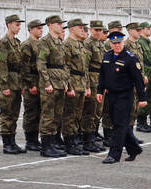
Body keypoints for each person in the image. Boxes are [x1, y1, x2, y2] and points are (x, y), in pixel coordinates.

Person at [96, 31, 146, 164]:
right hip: (111, 95)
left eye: (119, 43)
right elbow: (103, 76)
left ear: (123, 42)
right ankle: (134, 148)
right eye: (114, 43)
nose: (117, 45)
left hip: (125, 95)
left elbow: (138, 79)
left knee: (119, 125)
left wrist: (142, 98)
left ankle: (114, 154)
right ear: (110, 44)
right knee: (119, 123)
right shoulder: (107, 56)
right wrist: (99, 91)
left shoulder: (130, 58)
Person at [36, 15, 69, 158]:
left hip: (60, 82)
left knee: (57, 115)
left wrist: (66, 82)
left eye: (61, 23)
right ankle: (46, 146)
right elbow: (41, 64)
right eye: (58, 23)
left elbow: (64, 65)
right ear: (50, 25)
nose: (61, 26)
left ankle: (53, 143)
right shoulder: (45, 42)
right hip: (50, 83)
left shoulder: (59, 42)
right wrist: (47, 83)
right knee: (48, 115)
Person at [62, 18, 94, 154]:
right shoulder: (67, 45)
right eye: (80, 27)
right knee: (70, 114)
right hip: (73, 83)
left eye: (83, 27)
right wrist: (69, 87)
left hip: (81, 82)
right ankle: (69, 142)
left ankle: (75, 140)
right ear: (72, 29)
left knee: (78, 115)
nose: (82, 29)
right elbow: (65, 68)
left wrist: (87, 86)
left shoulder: (81, 45)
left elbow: (85, 68)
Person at [0, 15, 26, 154]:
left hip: (17, 82)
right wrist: (4, 86)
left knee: (14, 114)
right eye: (16, 24)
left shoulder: (16, 42)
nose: (18, 27)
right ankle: (6, 144)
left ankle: (12, 142)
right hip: (9, 82)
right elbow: (2, 65)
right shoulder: (4, 42)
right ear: (9, 25)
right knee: (7, 114)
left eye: (19, 25)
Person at [81, 20, 106, 152]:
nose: (98, 32)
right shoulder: (88, 44)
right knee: (89, 111)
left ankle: (93, 135)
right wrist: (87, 85)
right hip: (91, 78)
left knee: (98, 111)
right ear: (90, 30)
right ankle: (87, 139)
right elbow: (84, 66)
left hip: (100, 80)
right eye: (96, 30)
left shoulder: (101, 44)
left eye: (100, 30)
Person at [20, 19, 44, 151]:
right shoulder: (27, 45)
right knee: (31, 112)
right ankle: (30, 140)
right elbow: (24, 67)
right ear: (31, 29)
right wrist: (30, 84)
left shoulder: (40, 44)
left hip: (39, 80)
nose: (41, 30)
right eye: (38, 28)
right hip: (32, 81)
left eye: (41, 28)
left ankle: (35, 139)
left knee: (39, 111)